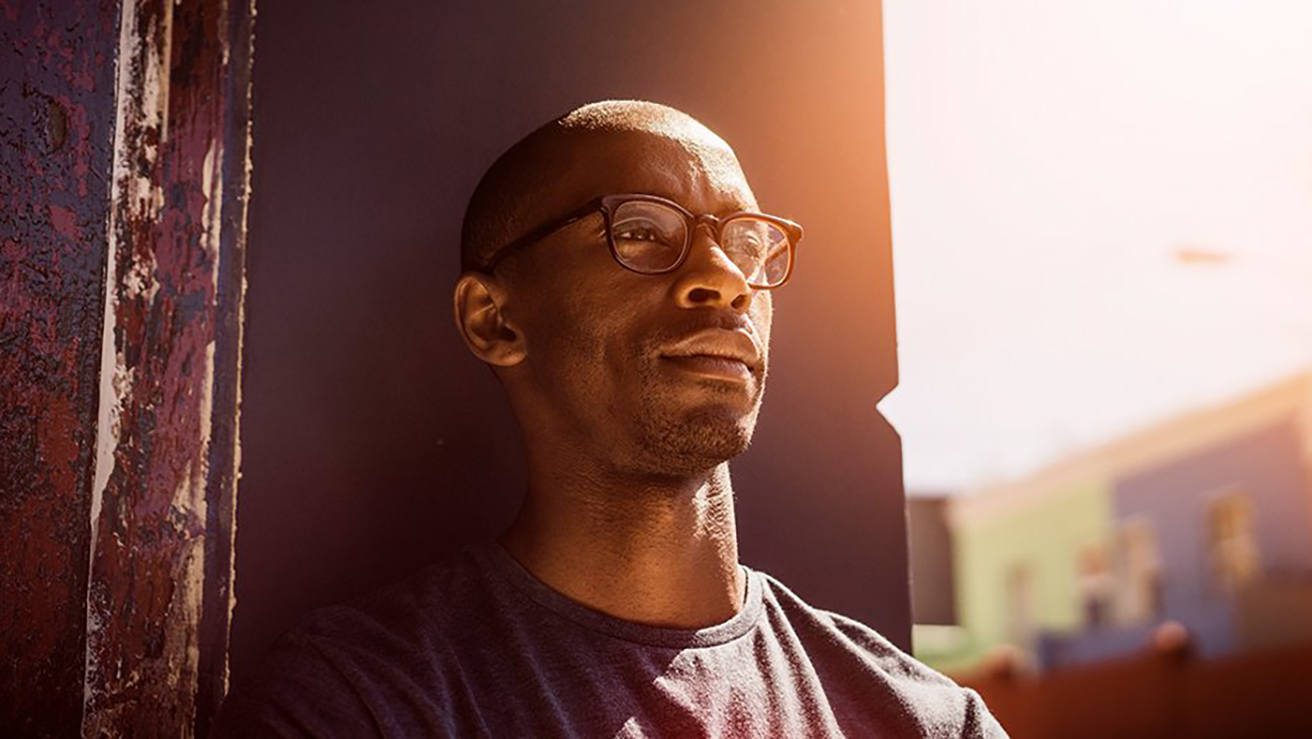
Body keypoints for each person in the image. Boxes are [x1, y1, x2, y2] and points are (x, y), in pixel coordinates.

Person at [213, 100, 1006, 738]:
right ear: (494, 320)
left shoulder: (927, 720)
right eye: (640, 231)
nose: (725, 280)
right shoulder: (364, 702)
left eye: (749, 245)